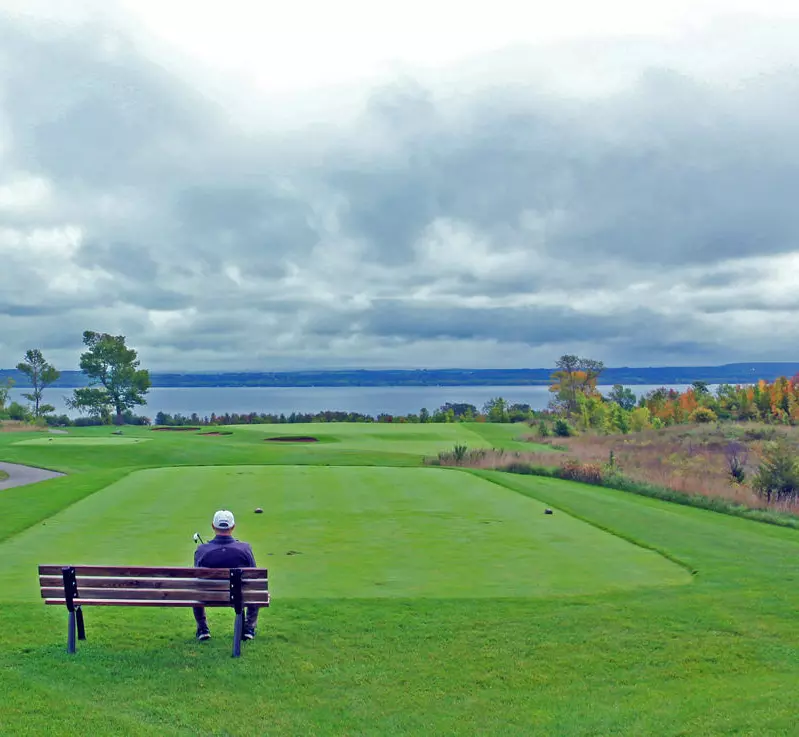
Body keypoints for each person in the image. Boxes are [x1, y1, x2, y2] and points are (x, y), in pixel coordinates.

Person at [193, 509, 260, 642]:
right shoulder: (245, 548)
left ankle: (203, 629)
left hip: (209, 596)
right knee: (254, 589)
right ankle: (248, 629)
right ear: (233, 526)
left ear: (213, 526)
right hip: (240, 595)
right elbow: (254, 577)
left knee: (197, 590)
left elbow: (198, 579)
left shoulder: (202, 550)